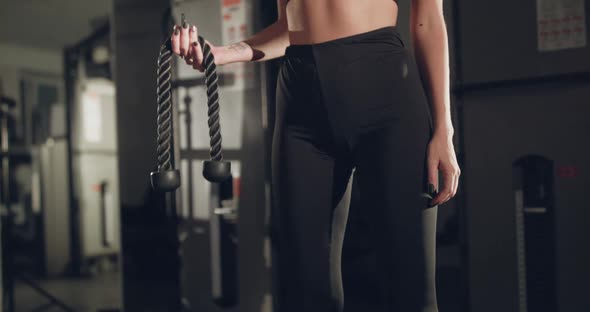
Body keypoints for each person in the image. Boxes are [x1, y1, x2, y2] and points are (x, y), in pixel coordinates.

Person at [171, 0, 460, 311]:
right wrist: (223, 53)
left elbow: (428, 19)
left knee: (411, 289)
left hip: (387, 96)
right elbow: (290, 27)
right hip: (301, 103)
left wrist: (443, 129)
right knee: (307, 289)